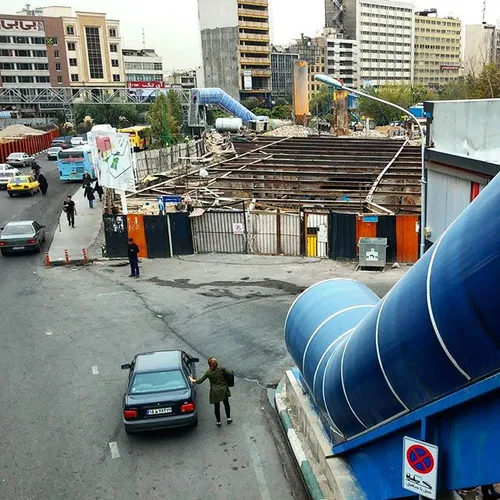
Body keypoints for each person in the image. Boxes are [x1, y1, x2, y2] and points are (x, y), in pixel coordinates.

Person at [189, 357, 232, 427]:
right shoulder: (221, 369)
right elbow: (229, 372)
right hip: (223, 389)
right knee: (226, 404)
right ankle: (228, 418)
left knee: (216, 407)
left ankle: (218, 422)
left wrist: (193, 380)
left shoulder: (208, 373)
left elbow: (200, 381)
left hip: (215, 391)